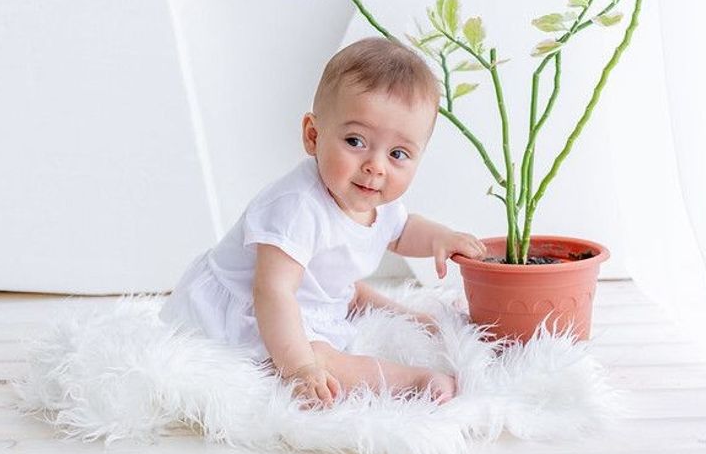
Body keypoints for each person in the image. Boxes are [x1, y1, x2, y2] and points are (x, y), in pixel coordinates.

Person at [160, 37, 486, 408]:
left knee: (352, 292)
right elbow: (272, 292)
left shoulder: (373, 198)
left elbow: (402, 229)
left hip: (305, 293)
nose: (375, 166)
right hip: (253, 307)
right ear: (313, 135)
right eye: (355, 140)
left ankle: (415, 319)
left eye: (398, 154)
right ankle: (411, 382)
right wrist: (300, 367)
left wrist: (440, 239)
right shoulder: (296, 207)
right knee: (321, 356)